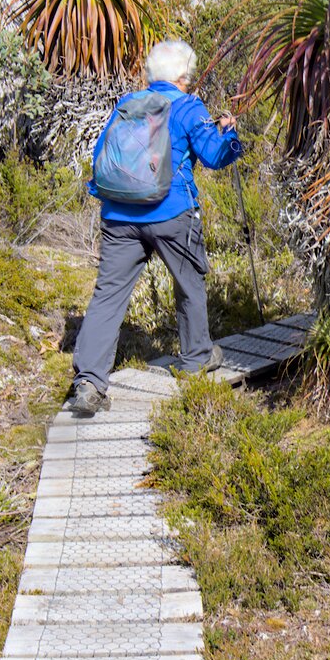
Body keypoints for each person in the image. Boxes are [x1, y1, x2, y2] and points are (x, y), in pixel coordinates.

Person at [67, 39, 242, 417]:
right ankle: (197, 358)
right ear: (181, 77)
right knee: (190, 280)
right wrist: (230, 134)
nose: (190, 82)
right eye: (189, 77)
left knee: (109, 294)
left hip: (119, 215)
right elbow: (213, 155)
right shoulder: (187, 107)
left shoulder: (127, 105)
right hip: (171, 213)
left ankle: (88, 382)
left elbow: (102, 159)